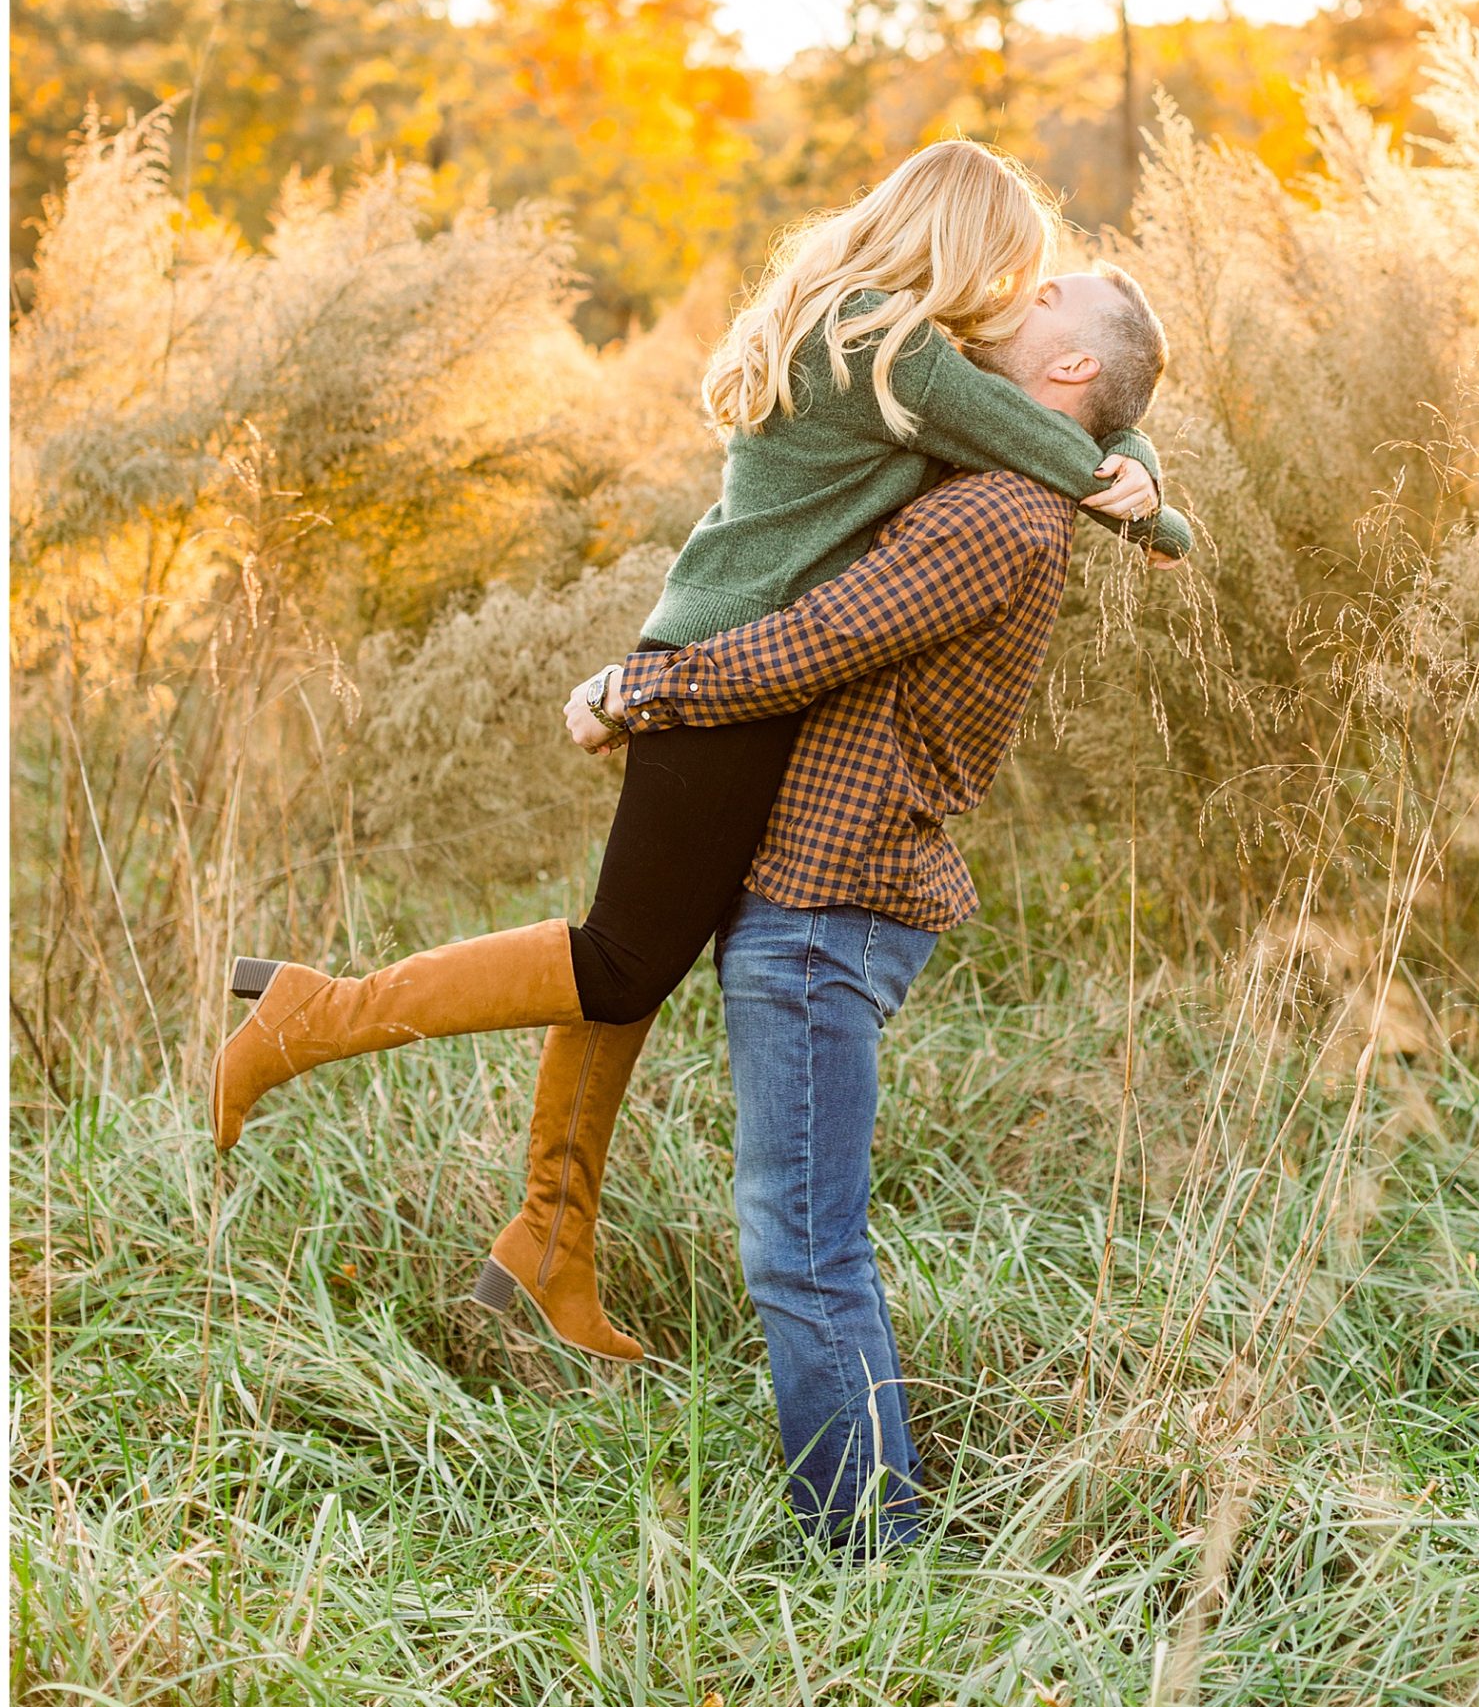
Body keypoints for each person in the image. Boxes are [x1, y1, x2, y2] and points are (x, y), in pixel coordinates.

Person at [210, 143, 1190, 1363]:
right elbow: (1060, 444)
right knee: (619, 961)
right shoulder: (890, 344)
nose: (1018, 293)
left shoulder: (874, 333)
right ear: (963, 248)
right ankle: (318, 1015)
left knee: (633, 950)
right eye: (1018, 271)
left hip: (729, 659)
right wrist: (1155, 504)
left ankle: (550, 1247)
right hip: (724, 671)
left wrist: (1135, 462)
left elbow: (1079, 430)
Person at [563, 264, 1182, 1552]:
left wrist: (637, 691)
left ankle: (870, 1553)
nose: (1032, 279)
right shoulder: (1001, 470)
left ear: (1068, 369)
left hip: (827, 905)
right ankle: (872, 1524)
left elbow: (810, 641)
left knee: (803, 1248)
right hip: (820, 894)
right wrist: (1139, 464)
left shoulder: (999, 515)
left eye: (1055, 289)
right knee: (806, 1236)